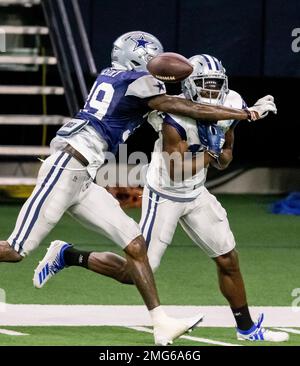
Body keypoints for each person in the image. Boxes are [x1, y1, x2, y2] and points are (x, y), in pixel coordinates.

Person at [0, 30, 276, 345]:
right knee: (14, 250)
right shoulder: (142, 85)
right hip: (68, 166)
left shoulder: (113, 74)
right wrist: (245, 113)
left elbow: (177, 105)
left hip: (85, 175)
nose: (154, 67)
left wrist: (228, 121)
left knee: (135, 245)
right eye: (150, 60)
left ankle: (162, 323)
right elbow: (187, 110)